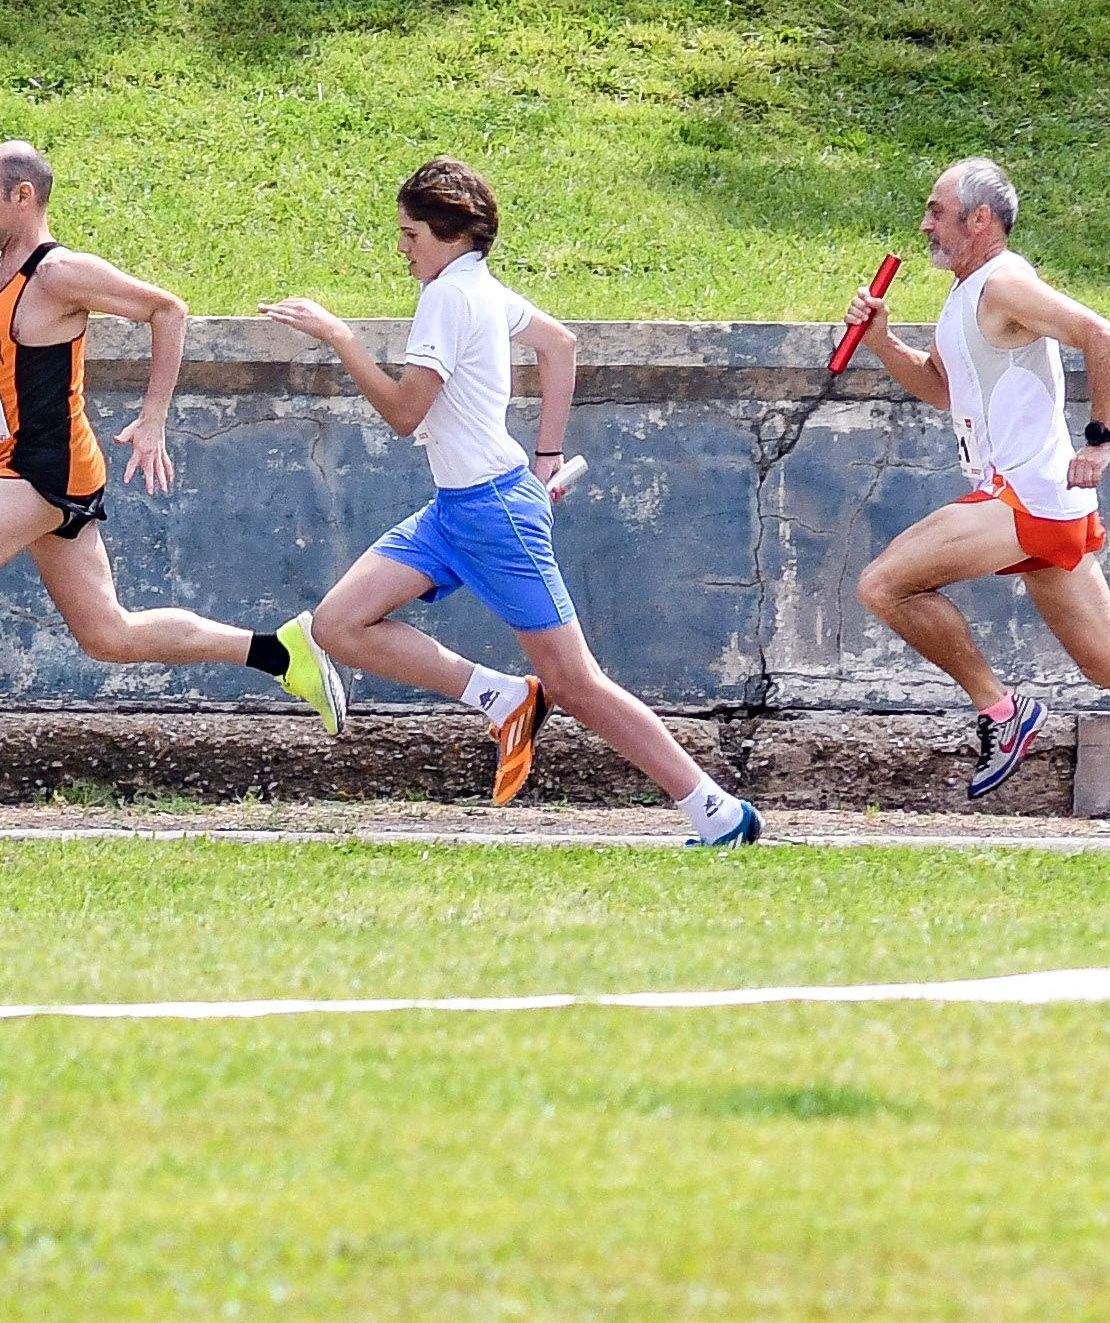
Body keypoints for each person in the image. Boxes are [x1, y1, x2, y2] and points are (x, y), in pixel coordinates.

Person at [0, 141, 344, 812]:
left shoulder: (60, 275)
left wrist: (154, 417)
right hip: (31, 471)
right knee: (108, 633)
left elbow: (167, 309)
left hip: (40, 471)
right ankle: (281, 652)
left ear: (23, 197)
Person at [262, 157, 765, 846]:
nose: (402, 248)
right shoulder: (480, 286)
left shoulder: (447, 296)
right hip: (456, 510)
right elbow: (558, 344)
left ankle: (717, 810)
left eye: (409, 234)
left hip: (492, 514)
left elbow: (406, 413)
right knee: (338, 623)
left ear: (446, 234)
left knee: (577, 684)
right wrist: (547, 456)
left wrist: (340, 338)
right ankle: (502, 696)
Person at [847, 158, 1110, 848]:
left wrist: (1099, 441)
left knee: (883, 584)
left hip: (1026, 495)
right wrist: (881, 341)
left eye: (935, 209)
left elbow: (1105, 337)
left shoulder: (1005, 280)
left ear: (977, 219)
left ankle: (1000, 710)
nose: (923, 223)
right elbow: (941, 386)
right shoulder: (965, 295)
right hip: (1032, 501)